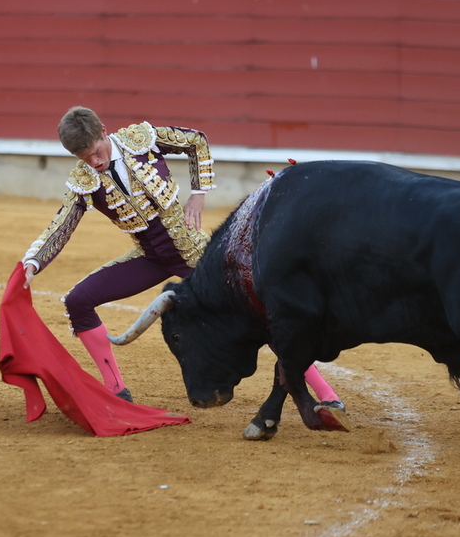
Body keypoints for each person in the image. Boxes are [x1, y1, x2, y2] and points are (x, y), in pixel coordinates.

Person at [21, 107, 349, 429]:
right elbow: (62, 223)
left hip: (198, 259)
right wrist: (33, 261)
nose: (94, 162)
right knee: (78, 301)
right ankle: (116, 390)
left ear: (104, 131)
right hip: (150, 258)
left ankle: (327, 395)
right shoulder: (84, 179)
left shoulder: (141, 140)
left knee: (261, 316)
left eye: (95, 152)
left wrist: (197, 195)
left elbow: (196, 141)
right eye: (84, 157)